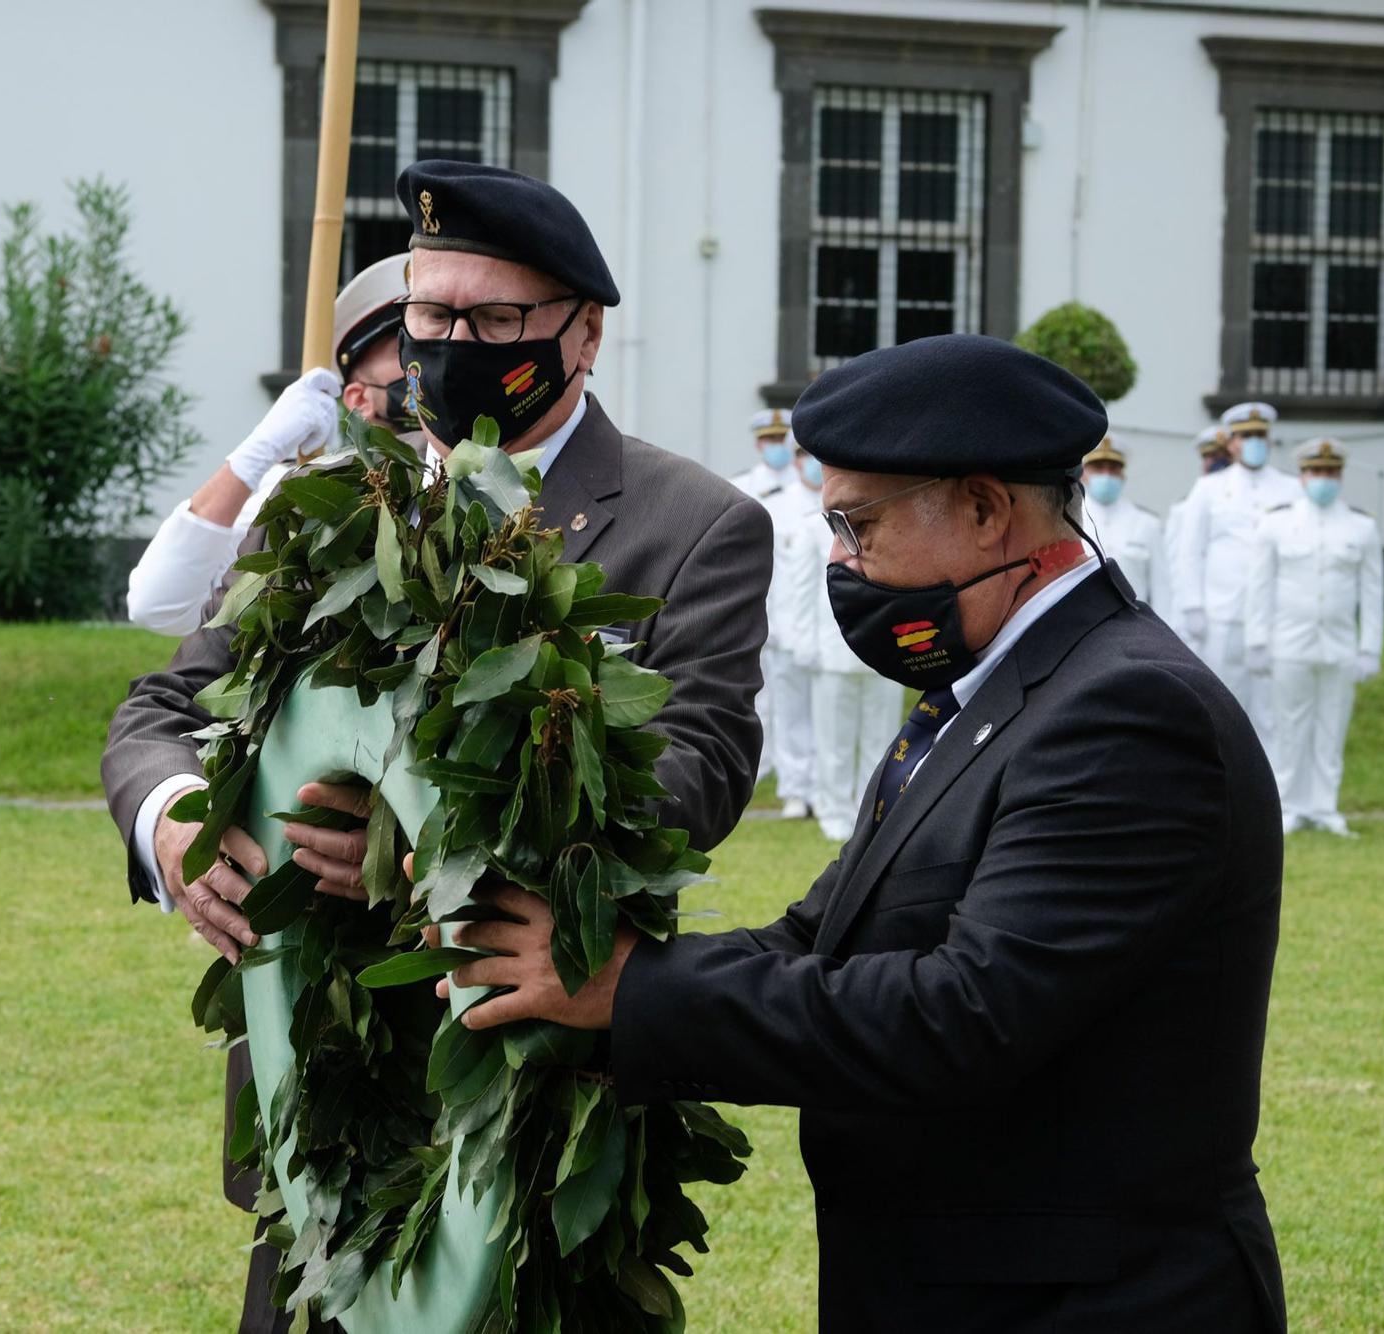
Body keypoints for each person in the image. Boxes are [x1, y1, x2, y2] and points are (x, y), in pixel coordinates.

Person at [437, 335, 1287, 1333]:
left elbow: (964, 1013)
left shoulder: (1126, 710)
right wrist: (580, 981)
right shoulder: (990, 692)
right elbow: (817, 940)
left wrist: (633, 988)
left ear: (981, 506)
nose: (838, 559)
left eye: (856, 522)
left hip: (1085, 1299)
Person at [101, 160, 773, 1334]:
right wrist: (172, 820)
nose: (454, 343)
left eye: (495, 319)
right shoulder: (331, 508)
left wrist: (440, 826)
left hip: (530, 1075)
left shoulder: (692, 524)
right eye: (430, 315)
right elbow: (160, 710)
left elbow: (693, 772)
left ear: (583, 332)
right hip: (320, 1088)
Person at [124, 253, 414, 634]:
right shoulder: (304, 495)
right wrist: (259, 451)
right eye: (403, 348)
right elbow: (157, 605)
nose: (423, 363)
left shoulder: (495, 476)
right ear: (358, 398)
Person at [1247, 439, 1384, 837]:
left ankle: (1325, 806)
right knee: (1289, 726)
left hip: (1339, 643)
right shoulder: (1276, 522)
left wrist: (1370, 647)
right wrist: (1258, 640)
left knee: (1332, 726)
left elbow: (1373, 592)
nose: (1323, 480)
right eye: (1315, 472)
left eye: (1330, 473)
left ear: (1339, 477)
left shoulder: (1361, 526)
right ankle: (1289, 805)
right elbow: (1261, 586)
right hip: (1289, 641)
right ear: (1303, 476)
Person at [1175, 402, 1301, 756]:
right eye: (1246, 436)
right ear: (1231, 443)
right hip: (1222, 613)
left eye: (1260, 435)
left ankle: (1276, 794)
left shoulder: (1290, 489)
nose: (1254, 442)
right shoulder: (1210, 489)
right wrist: (1193, 605)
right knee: (1222, 706)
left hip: (1275, 615)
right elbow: (1191, 552)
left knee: (1271, 710)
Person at [786, 503, 901, 842]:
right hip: (832, 650)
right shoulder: (812, 528)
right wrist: (804, 643)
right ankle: (832, 809)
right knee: (834, 739)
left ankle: (870, 809)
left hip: (883, 650)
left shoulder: (889, 522)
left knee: (880, 740)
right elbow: (803, 590)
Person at [741, 408, 822, 816]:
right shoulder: (748, 491)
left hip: (810, 617)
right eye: (769, 441)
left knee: (811, 706)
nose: (777, 450)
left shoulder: (811, 492)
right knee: (775, 704)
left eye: (782, 442)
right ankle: (789, 783)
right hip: (772, 613)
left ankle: (816, 786)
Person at [1080, 434, 1168, 618]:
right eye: (1098, 468)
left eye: (1113, 469)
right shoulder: (1070, 519)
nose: (1106, 475)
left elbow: (1161, 586)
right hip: (1082, 625)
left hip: (1135, 625)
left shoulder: (1147, 523)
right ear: (1083, 474)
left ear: (1122, 475)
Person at [1167, 426, 1232, 652]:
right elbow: (1176, 563)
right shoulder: (1184, 508)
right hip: (1192, 614)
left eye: (1224, 457)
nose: (1216, 462)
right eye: (1210, 456)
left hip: (1228, 611)